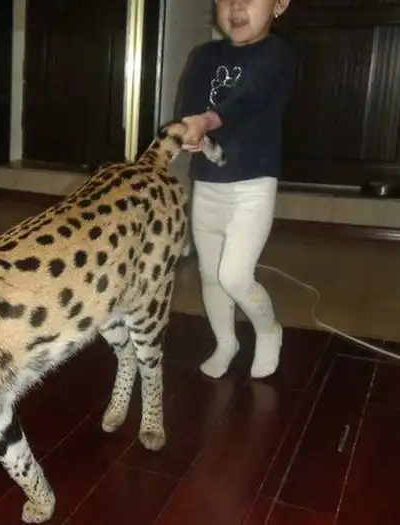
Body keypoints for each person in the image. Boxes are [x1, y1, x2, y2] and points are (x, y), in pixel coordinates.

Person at [176, 0, 295, 379]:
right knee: (211, 275)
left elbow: (249, 99)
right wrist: (191, 132)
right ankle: (226, 342)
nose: (236, 5)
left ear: (280, 4)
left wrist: (207, 120)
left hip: (252, 186)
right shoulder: (204, 56)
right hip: (208, 183)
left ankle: (269, 330)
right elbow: (191, 107)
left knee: (235, 276)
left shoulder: (277, 55)